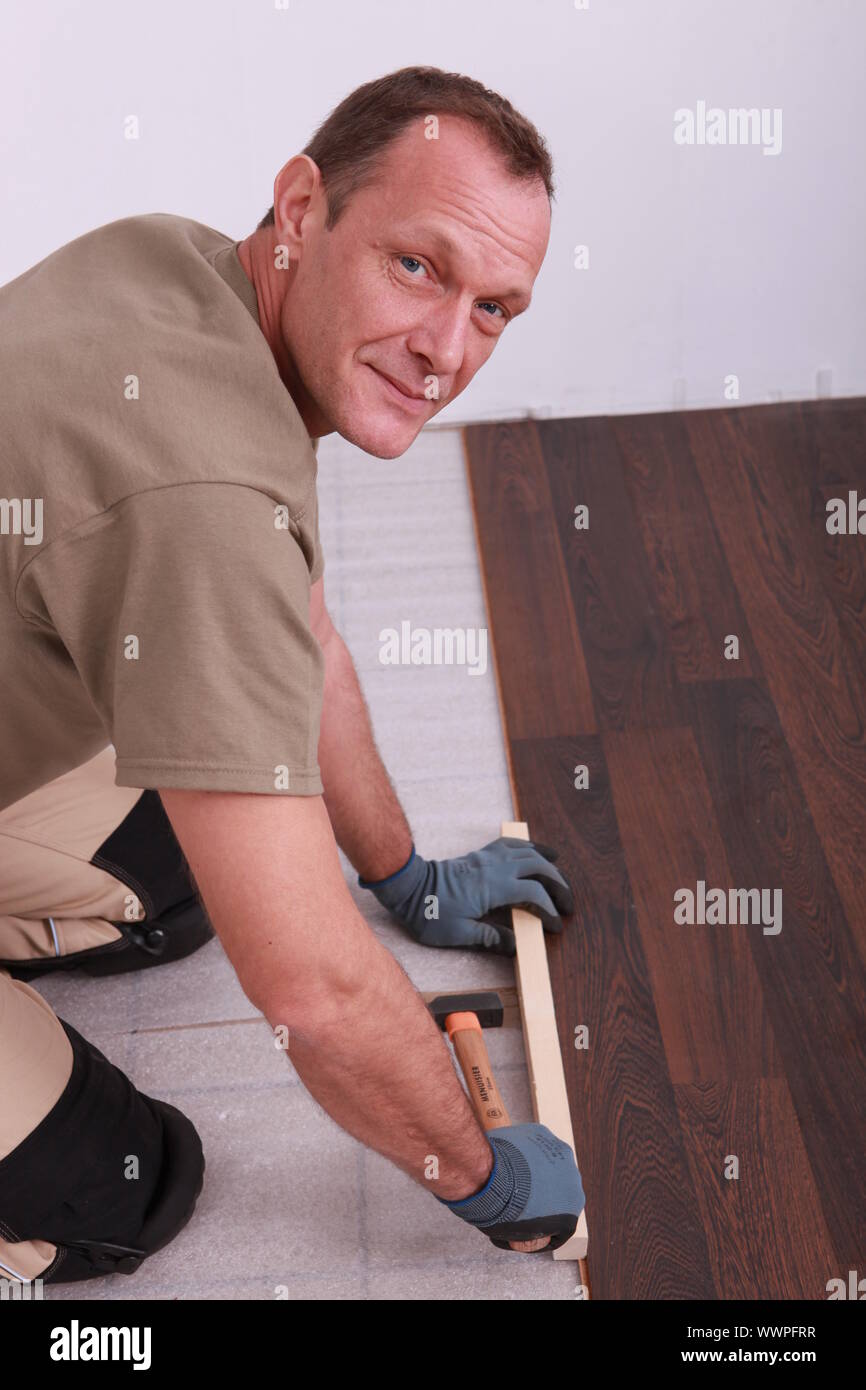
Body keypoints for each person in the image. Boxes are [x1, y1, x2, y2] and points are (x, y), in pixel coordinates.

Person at [0, 65, 584, 1287]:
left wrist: (404, 875)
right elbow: (312, 994)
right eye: (418, 267)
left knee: (178, 873)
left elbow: (299, 642)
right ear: (304, 206)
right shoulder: (201, 495)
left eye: (492, 309)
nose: (443, 351)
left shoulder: (179, 269)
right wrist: (475, 1172)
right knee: (126, 1185)